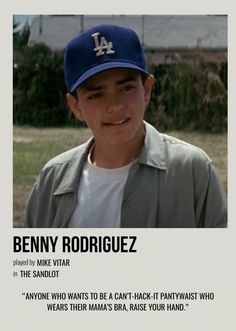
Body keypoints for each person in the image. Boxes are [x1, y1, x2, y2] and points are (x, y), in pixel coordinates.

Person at [25, 24, 227, 228]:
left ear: (146, 90)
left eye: (126, 88)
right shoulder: (51, 181)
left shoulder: (191, 170)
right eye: (96, 95)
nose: (114, 106)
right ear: (76, 106)